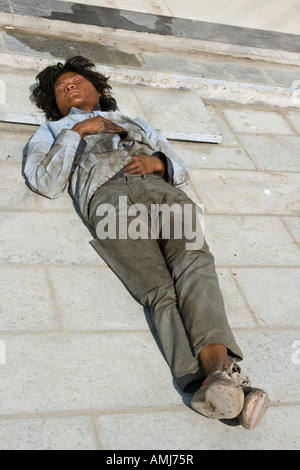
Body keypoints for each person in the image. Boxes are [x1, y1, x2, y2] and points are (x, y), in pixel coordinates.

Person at [24, 56, 269, 430]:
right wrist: (80, 131)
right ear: (53, 102)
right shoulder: (51, 132)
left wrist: (158, 164)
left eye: (76, 80)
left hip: (162, 193)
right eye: (60, 88)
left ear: (96, 88)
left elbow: (179, 168)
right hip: (109, 204)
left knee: (195, 265)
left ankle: (217, 381)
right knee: (159, 291)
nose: (69, 86)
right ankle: (224, 380)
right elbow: (45, 182)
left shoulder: (133, 121)